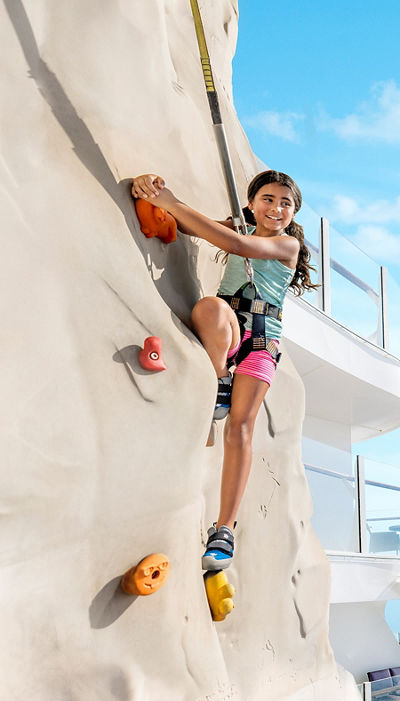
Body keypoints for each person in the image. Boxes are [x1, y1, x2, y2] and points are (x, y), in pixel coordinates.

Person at [131, 170, 315, 577]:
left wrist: (172, 202)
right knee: (209, 308)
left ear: (293, 212)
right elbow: (196, 226)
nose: (276, 208)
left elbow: (233, 244)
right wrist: (154, 190)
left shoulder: (288, 244)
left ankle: (224, 530)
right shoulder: (241, 223)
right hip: (229, 325)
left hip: (262, 340)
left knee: (241, 428)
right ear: (251, 203)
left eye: (285, 203)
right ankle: (218, 383)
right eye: (267, 199)